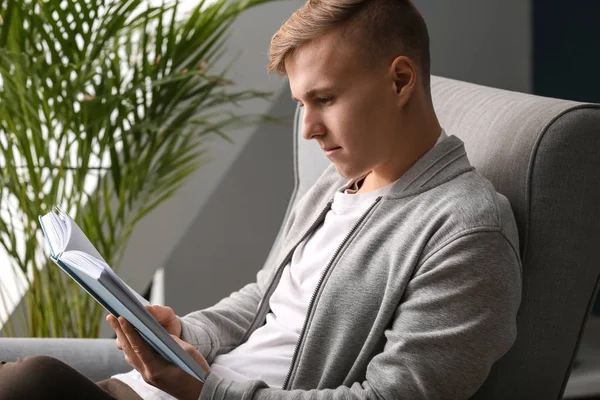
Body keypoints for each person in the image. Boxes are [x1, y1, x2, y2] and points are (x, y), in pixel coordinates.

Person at [0, 0, 522, 399]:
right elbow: (264, 299)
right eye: (302, 104)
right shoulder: (338, 180)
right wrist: (184, 331)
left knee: (31, 383)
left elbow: (390, 397)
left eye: (325, 99)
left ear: (401, 79)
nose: (309, 131)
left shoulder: (467, 230)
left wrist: (206, 392)